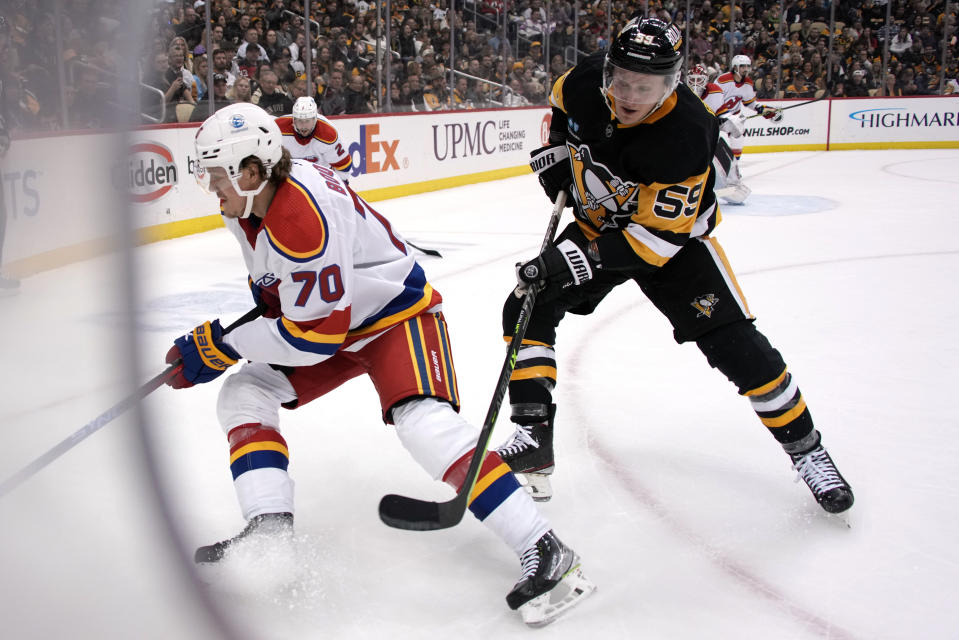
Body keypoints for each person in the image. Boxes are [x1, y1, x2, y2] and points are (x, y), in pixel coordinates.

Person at [170, 103, 595, 626]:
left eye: (216, 176)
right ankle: (269, 533)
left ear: (250, 171)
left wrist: (225, 345)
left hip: (396, 316)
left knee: (424, 426)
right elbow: (293, 306)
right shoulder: (251, 205)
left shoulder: (301, 218)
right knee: (243, 395)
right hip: (336, 321)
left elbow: (313, 339)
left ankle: (550, 551)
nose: (211, 188)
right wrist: (226, 342)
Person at [493, 18, 854, 516]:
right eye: (621, 81)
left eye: (646, 87)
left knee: (736, 346)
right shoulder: (584, 82)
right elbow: (560, 106)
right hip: (602, 223)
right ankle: (533, 434)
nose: (629, 95)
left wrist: (572, 260)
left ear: (673, 81)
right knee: (526, 307)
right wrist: (556, 151)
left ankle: (808, 451)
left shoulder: (686, 132)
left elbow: (654, 242)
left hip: (673, 246)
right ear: (609, 70)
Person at [707, 54, 783, 203]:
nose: (746, 69)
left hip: (734, 119)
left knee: (737, 145)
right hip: (718, 118)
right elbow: (713, 98)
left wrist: (764, 110)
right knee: (714, 147)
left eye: (748, 66)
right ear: (735, 67)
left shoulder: (748, 82)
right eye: (743, 66)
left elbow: (750, 103)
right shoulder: (723, 80)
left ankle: (733, 174)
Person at [686, 63, 750, 204]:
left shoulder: (715, 92)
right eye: (692, 79)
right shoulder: (680, 93)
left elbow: (723, 114)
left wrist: (733, 122)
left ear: (706, 80)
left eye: (699, 79)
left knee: (721, 142)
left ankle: (732, 184)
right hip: (686, 142)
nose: (695, 83)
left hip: (706, 139)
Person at [274, 96, 352, 181]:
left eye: (307, 121)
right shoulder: (278, 128)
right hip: (290, 179)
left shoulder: (328, 134)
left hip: (320, 179)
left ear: (315, 119)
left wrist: (339, 188)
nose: (303, 126)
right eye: (299, 121)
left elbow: (344, 167)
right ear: (293, 120)